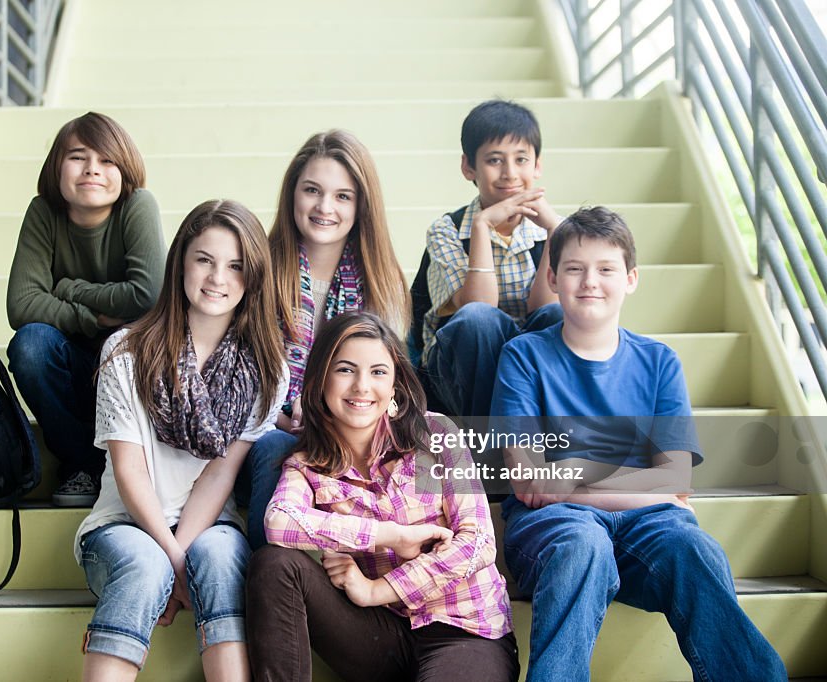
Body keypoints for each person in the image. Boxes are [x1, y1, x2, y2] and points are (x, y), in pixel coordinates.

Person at [491, 207, 786, 681]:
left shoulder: (659, 362)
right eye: (574, 268)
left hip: (646, 530)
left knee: (694, 547)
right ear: (552, 276)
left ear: (629, 279)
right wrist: (644, 486)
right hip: (554, 531)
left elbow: (674, 480)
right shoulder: (523, 356)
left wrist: (571, 475)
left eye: (606, 269)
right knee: (583, 543)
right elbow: (527, 479)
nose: (591, 281)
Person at [74, 200, 287, 681]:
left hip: (207, 526)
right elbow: (130, 471)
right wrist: (173, 560)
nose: (218, 278)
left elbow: (221, 472)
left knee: (218, 554)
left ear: (253, 277)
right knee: (147, 564)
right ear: (180, 264)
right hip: (123, 525)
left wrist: (185, 548)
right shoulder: (127, 351)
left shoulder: (268, 371)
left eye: (236, 266)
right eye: (205, 260)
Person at [247, 311, 519, 682]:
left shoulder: (436, 435)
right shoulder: (306, 466)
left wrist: (379, 589)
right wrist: (391, 536)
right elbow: (279, 522)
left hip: (464, 629)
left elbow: (479, 543)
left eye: (377, 372)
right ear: (320, 380)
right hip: (379, 636)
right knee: (274, 564)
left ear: (394, 386)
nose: (362, 386)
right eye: (345, 370)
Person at [239, 130, 410, 550]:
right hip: (266, 433)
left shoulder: (382, 283)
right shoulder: (256, 269)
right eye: (312, 190)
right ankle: (271, 579)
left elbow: (391, 389)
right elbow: (234, 373)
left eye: (342, 196)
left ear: (361, 206)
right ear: (292, 194)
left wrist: (328, 415)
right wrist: (278, 416)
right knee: (276, 448)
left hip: (350, 432)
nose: (324, 207)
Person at [6, 112, 167, 506]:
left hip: (130, 361)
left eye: (107, 160)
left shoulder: (137, 206)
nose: (92, 169)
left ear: (124, 169)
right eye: (78, 157)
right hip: (71, 364)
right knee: (30, 346)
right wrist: (91, 317)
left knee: (124, 344)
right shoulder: (44, 213)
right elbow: (21, 304)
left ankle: (127, 464)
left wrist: (69, 288)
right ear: (57, 168)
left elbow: (146, 294)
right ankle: (83, 465)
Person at [413, 99, 563, 416]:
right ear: (469, 167)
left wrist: (555, 233)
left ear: (537, 165)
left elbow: (545, 310)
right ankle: (489, 446)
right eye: (495, 160)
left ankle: (552, 438)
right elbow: (477, 309)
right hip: (459, 375)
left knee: (561, 317)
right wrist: (482, 225)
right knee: (479, 319)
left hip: (527, 368)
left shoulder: (555, 229)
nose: (510, 173)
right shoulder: (448, 230)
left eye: (521, 159)